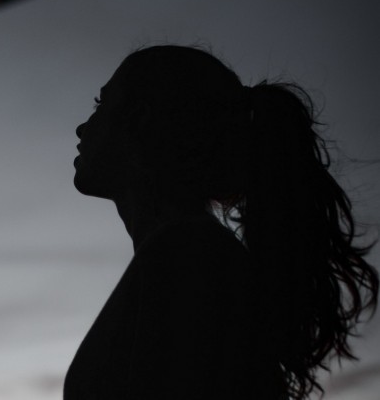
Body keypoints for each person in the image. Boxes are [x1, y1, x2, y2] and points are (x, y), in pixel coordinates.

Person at [65, 45, 378, 399]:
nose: (82, 127)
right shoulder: (185, 254)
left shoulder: (187, 256)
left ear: (139, 118)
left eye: (100, 104)